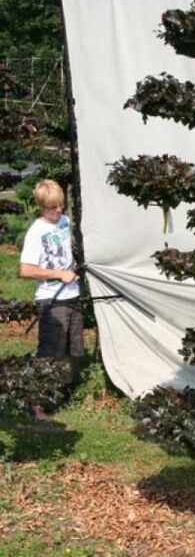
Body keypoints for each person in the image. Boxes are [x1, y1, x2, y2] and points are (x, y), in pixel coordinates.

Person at [20, 179, 83, 418]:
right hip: (51, 299)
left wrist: (72, 264)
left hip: (73, 294)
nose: (57, 211)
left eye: (60, 206)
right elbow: (26, 270)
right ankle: (36, 405)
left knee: (73, 350)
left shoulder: (64, 222)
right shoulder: (36, 232)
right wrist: (58, 274)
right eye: (51, 208)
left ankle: (60, 395)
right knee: (50, 352)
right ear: (41, 206)